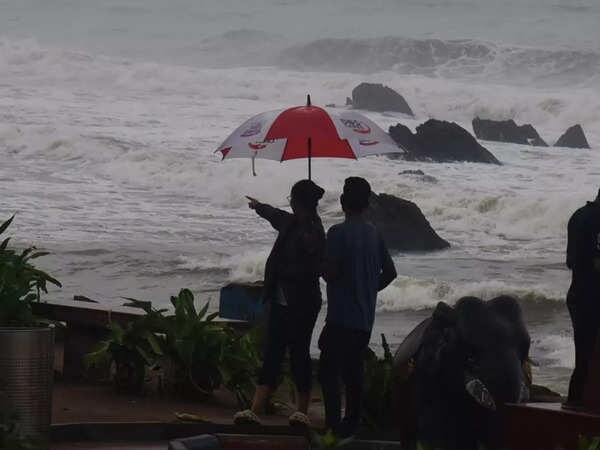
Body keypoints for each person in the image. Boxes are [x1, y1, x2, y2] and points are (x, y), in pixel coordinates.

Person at [234, 179, 326, 427]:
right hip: (281, 301)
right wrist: (258, 206)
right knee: (273, 352)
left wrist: (304, 250)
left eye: (292, 199)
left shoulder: (315, 231)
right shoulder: (292, 222)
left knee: (299, 354)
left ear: (299, 202)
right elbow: (274, 215)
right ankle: (255, 409)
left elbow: (314, 268)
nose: (290, 203)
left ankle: (302, 412)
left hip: (303, 303)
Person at [319, 177, 397, 436]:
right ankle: (351, 424)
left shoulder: (337, 233)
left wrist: (317, 255)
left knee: (328, 371)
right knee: (354, 374)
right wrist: (367, 289)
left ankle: (332, 423)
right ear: (367, 204)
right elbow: (390, 273)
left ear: (342, 202)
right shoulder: (375, 234)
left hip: (340, 317)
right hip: (364, 319)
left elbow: (330, 273)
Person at [564, 188, 600, 409]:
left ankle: (582, 401)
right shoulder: (586, 219)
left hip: (584, 295)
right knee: (586, 354)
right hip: (586, 297)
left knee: (588, 355)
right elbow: (579, 261)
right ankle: (576, 404)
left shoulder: (581, 216)